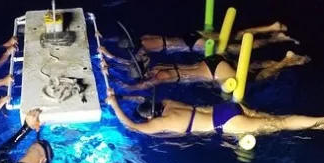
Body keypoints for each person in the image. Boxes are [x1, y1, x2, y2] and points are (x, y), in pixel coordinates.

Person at [105, 90, 324, 137]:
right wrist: (120, 97)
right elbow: (143, 100)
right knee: (276, 119)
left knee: (282, 124)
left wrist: (115, 106)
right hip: (226, 108)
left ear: (151, 117)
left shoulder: (162, 122)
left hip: (225, 122)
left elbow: (132, 126)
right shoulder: (168, 103)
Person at [99, 47, 310, 89]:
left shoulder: (160, 76)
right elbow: (131, 64)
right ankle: (290, 59)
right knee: (250, 65)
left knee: (257, 78)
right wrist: (110, 58)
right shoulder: (157, 65)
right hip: (210, 61)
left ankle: (285, 62)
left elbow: (134, 88)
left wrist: (114, 81)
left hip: (214, 73)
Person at [131, 22, 298, 56]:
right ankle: (271, 27)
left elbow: (137, 61)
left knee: (237, 48)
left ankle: (275, 39)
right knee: (234, 35)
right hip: (191, 35)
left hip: (192, 44)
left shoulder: (143, 48)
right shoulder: (144, 37)